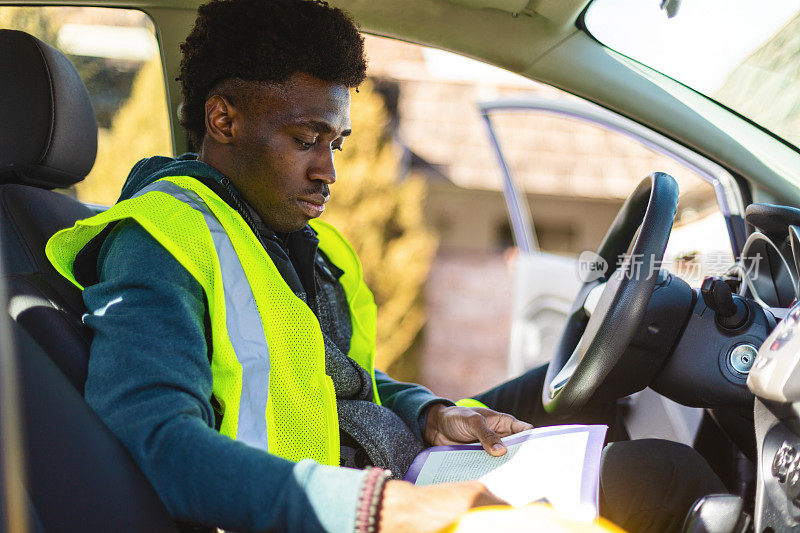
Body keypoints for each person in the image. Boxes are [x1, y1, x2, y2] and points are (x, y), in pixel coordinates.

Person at [45, 0, 726, 531]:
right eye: (305, 139)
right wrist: (389, 511)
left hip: (392, 463)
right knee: (663, 478)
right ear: (222, 119)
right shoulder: (158, 240)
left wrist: (428, 411)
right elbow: (155, 442)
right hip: (322, 510)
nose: (328, 171)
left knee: (593, 396)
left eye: (335, 141)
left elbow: (325, 379)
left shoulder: (273, 232)